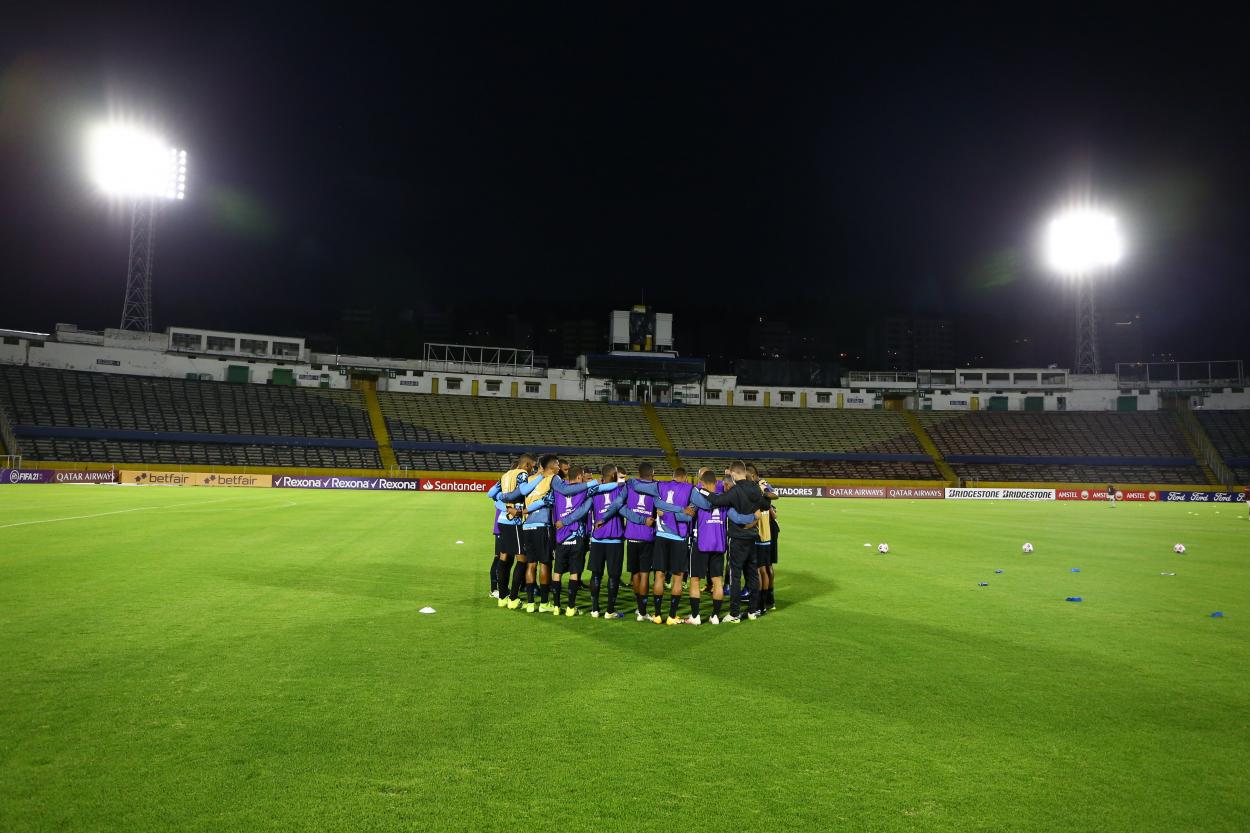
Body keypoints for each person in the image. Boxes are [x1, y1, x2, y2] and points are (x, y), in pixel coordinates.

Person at [701, 461, 765, 622]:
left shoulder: (736, 490)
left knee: (734, 576)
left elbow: (716, 500)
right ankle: (752, 610)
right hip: (752, 537)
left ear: (734, 474)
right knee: (752, 574)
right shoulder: (755, 488)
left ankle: (735, 613)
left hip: (737, 538)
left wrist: (703, 491)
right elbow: (765, 504)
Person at [631, 467, 695, 624]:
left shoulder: (661, 486)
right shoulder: (690, 489)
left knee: (659, 575)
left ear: (673, 476)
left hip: (661, 536)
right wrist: (680, 513)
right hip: (679, 538)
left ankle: (658, 615)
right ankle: (672, 616)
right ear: (685, 478)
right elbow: (689, 515)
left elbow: (637, 486)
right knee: (678, 578)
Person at [551, 465, 612, 615]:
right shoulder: (585, 490)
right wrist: (620, 483)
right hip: (576, 535)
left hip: (560, 536)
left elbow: (550, 504)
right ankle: (571, 608)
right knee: (574, 572)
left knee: (557, 572)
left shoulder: (558, 490)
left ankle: (556, 607)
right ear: (579, 477)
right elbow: (602, 489)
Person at [492, 453, 536, 607]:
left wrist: (505, 505)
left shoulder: (505, 475)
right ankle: (513, 598)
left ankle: (502, 597)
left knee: (504, 558)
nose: (532, 470)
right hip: (515, 521)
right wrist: (539, 477)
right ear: (527, 465)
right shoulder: (522, 473)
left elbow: (492, 495)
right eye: (533, 467)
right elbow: (523, 491)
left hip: (503, 520)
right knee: (522, 559)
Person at [587, 464, 628, 619]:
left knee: (596, 574)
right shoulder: (620, 489)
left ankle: (594, 609)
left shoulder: (595, 491)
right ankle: (609, 611)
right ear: (614, 475)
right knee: (613, 576)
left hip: (597, 538)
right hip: (615, 539)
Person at [622, 462, 659, 622]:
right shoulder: (657, 488)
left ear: (638, 473)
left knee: (635, 573)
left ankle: (639, 607)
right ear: (652, 473)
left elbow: (621, 507)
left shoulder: (630, 486)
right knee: (645, 574)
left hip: (631, 535)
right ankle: (643, 611)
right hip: (647, 536)